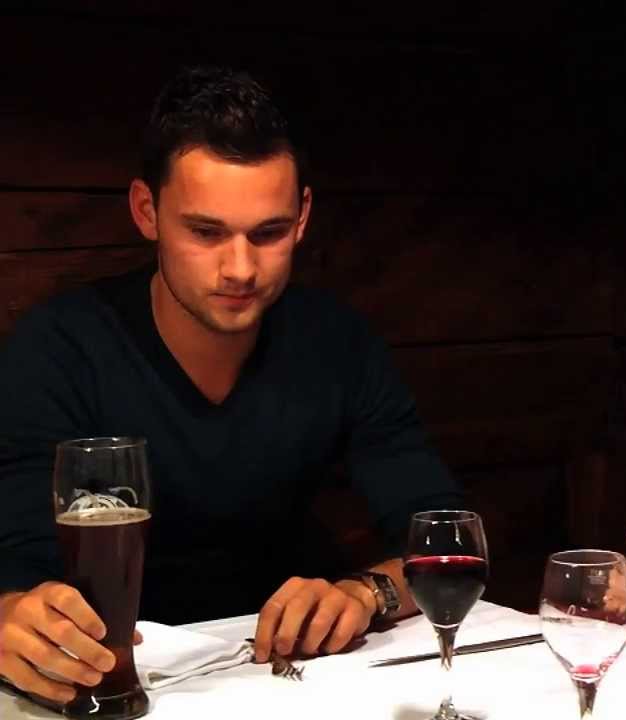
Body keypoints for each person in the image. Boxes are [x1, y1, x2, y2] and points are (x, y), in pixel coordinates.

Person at [0, 66, 461, 705]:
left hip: (286, 678)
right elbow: (16, 566)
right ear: (146, 211)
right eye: (206, 232)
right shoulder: (61, 347)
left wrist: (367, 592)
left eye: (268, 234)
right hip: (110, 682)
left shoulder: (336, 341)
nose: (240, 269)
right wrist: (12, 615)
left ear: (302, 217)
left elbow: (445, 538)